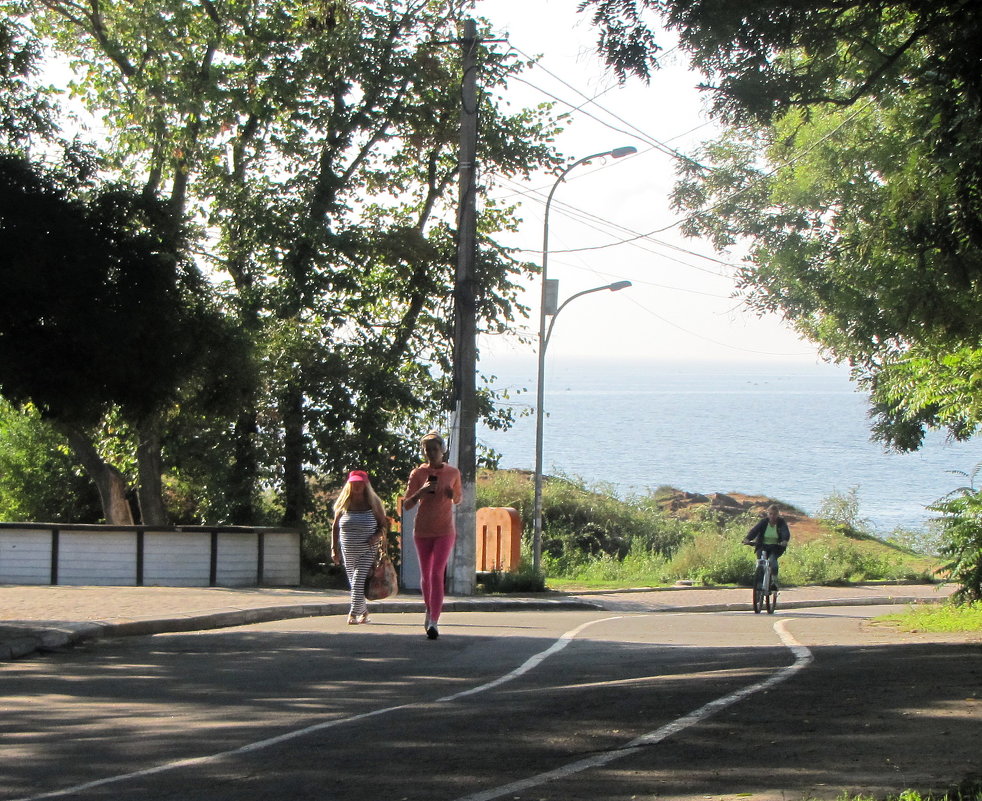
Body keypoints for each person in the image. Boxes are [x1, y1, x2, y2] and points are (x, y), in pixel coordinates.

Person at [403, 431, 462, 640]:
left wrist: (451, 494)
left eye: (435, 449)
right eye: (427, 450)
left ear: (442, 450)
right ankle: (429, 608)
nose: (431, 454)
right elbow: (407, 504)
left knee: (437, 573)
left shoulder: (453, 472)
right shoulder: (418, 474)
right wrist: (422, 491)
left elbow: (458, 499)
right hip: (423, 530)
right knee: (426, 575)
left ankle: (434, 621)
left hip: (445, 530)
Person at [332, 470, 388, 625]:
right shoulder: (344, 504)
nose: (357, 486)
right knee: (354, 583)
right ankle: (364, 612)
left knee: (357, 581)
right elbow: (335, 527)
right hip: (348, 551)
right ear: (349, 485)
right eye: (354, 483)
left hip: (367, 550)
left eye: (360, 483)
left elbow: (383, 526)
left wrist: (376, 536)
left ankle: (353, 613)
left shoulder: (373, 504)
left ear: (366, 485)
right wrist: (334, 549)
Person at [742, 504, 791, 589]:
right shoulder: (764, 522)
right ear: (768, 514)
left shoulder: (781, 522)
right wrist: (747, 539)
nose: (772, 516)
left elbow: (785, 532)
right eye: (770, 514)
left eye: (775, 514)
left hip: (775, 547)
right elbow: (755, 530)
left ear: (778, 514)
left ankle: (774, 582)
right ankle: (759, 585)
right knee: (760, 563)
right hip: (762, 546)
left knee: (773, 562)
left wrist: (784, 540)